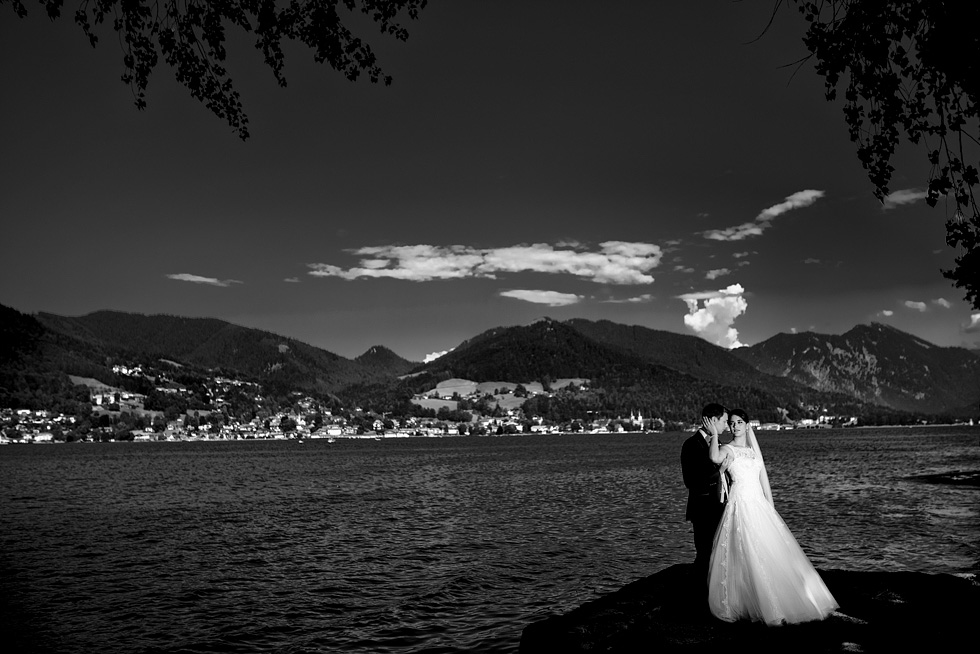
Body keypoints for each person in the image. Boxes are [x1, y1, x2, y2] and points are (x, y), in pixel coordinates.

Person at [705, 409, 839, 625]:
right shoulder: (727, 448)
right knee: (746, 551)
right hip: (741, 504)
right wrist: (713, 435)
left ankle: (787, 600)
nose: (735, 426)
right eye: (731, 423)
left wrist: (772, 510)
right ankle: (757, 603)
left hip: (759, 504)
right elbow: (713, 457)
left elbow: (764, 481)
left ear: (747, 425)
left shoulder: (753, 451)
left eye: (739, 422)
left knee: (770, 551)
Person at [681, 403, 732, 579]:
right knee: (705, 555)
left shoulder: (719, 444)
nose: (727, 426)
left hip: (721, 508)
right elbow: (691, 481)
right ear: (712, 420)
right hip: (704, 509)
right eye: (724, 421)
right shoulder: (691, 445)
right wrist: (719, 472)